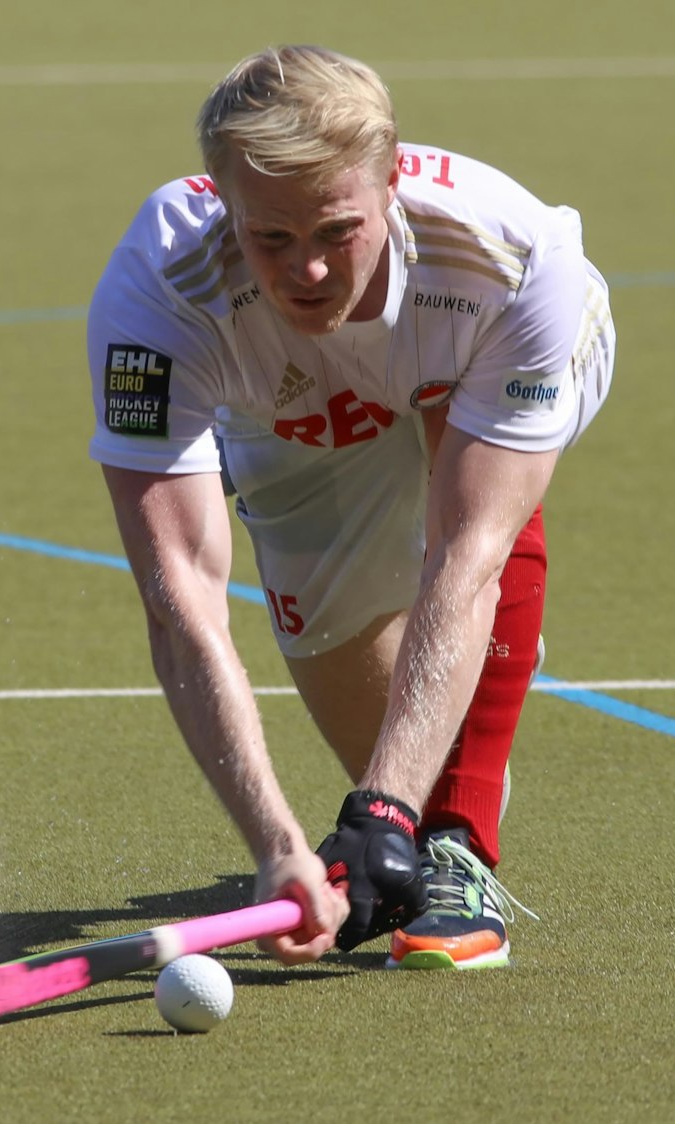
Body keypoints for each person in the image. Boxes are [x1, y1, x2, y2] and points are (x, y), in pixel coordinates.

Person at [85, 45, 615, 970]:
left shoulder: (517, 260)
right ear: (223, 202)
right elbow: (181, 606)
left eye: (337, 230)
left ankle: (455, 844)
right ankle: (392, 825)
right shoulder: (158, 294)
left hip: (472, 350)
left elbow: (469, 550)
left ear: (392, 183)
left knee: (474, 512)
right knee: (326, 634)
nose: (310, 272)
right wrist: (275, 845)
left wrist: (386, 811)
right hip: (292, 404)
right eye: (272, 238)